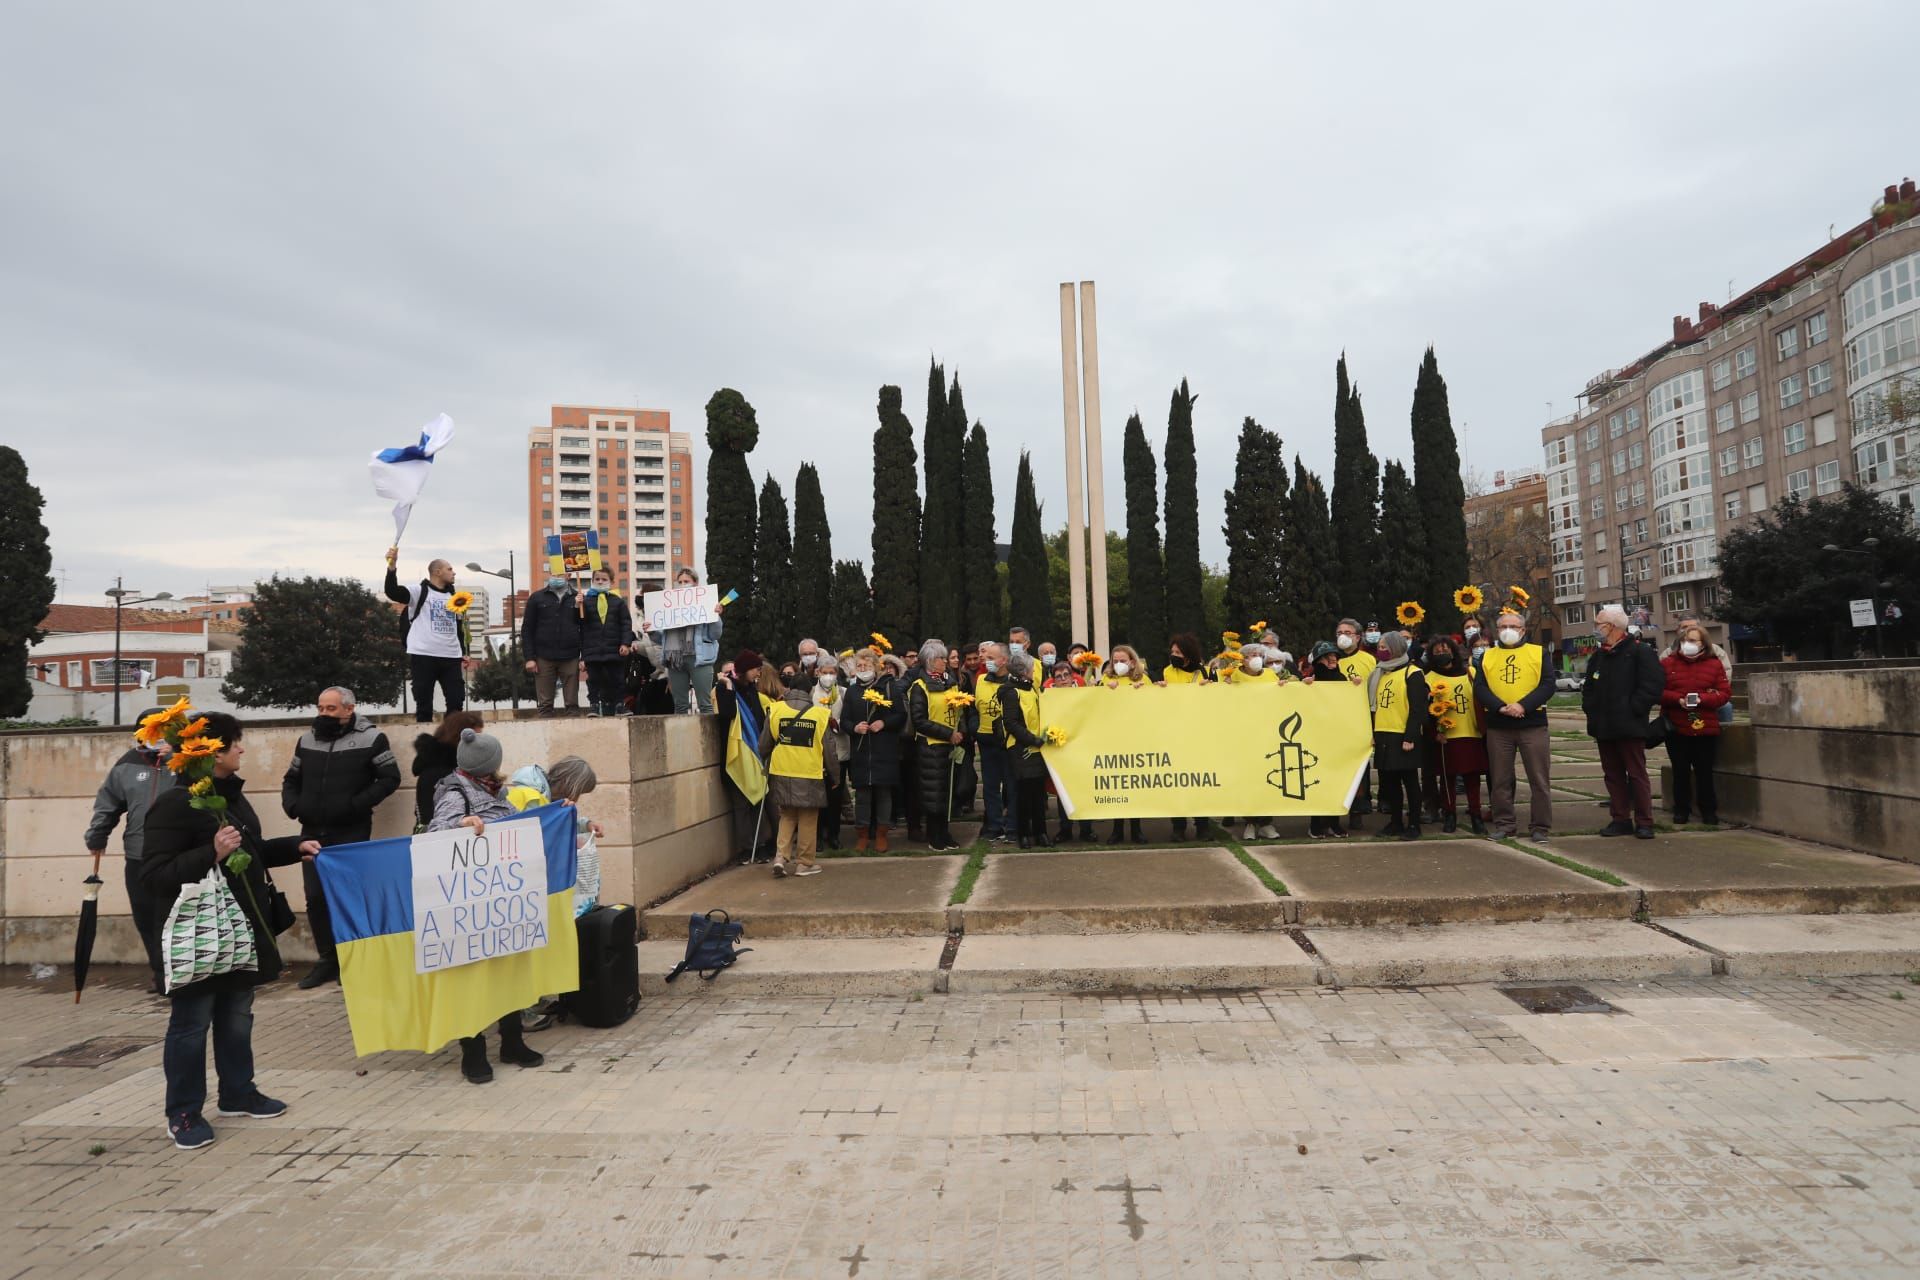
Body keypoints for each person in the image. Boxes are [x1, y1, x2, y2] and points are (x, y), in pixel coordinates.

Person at [141, 712, 322, 1149]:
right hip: (201, 936)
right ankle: (183, 1113)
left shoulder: (230, 799)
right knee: (191, 1023)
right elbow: (154, 874)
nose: (242, 749)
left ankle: (238, 1092)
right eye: (235, 743)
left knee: (237, 1016)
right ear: (209, 752)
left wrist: (295, 847)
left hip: (242, 931)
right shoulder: (176, 803)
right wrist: (212, 852)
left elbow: (252, 853)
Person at [426, 727, 546, 1081]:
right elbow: (436, 833)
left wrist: (570, 816)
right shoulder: (454, 791)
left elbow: (523, 826)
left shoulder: (495, 790)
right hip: (469, 905)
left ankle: (511, 1042)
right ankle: (473, 1051)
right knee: (471, 981)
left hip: (501, 899)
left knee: (507, 974)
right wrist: (462, 824)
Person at [280, 686, 400, 989]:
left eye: (330, 708)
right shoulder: (306, 740)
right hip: (311, 832)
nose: (323, 713)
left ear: (349, 709)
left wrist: (355, 806)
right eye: (320, 707)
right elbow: (291, 779)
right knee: (316, 899)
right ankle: (327, 962)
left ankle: (355, 963)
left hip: (351, 831)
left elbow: (390, 778)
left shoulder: (372, 738)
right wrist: (293, 806)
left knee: (350, 898)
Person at [84, 708, 178, 992]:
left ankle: (179, 972)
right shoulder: (126, 765)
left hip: (179, 855)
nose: (156, 737)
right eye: (151, 730)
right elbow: (108, 802)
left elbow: (209, 790)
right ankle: (160, 973)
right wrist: (98, 834)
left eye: (164, 730)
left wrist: (175, 756)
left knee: (174, 916)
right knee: (146, 916)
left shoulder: (189, 760)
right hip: (138, 856)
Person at [1583, 604, 1667, 839]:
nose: (1595, 629)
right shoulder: (1599, 655)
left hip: (1630, 726)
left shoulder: (1640, 652)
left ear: (1611, 627)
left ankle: (1644, 821)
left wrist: (1634, 709)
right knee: (1613, 774)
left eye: (1598, 624)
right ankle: (1620, 819)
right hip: (1604, 726)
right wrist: (1590, 708)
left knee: (1636, 774)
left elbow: (1653, 685)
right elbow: (1589, 687)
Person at [1476, 608, 1556, 841]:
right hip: (1499, 726)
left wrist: (1523, 706)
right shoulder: (1487, 656)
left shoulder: (1539, 653)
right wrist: (1500, 706)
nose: (1508, 631)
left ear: (1523, 630)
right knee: (1500, 779)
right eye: (1503, 627)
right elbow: (1480, 687)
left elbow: (1548, 684)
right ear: (1496, 630)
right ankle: (1504, 824)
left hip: (1532, 725)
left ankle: (1540, 827)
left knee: (1539, 778)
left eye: (1513, 627)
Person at [760, 664, 840, 877]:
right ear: (810, 691)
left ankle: (780, 857)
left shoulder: (775, 710)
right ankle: (804, 863)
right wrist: (836, 776)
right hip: (809, 773)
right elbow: (830, 751)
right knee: (808, 817)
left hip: (781, 771)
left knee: (786, 815)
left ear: (789, 689)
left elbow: (763, 745)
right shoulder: (820, 715)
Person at [384, 547, 472, 723]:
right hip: (424, 655)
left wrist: (463, 651)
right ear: (437, 572)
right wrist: (392, 567)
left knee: (456, 702)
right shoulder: (419, 591)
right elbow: (392, 591)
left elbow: (458, 625)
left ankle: (450, 741)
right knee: (424, 705)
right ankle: (426, 743)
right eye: (449, 569)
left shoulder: (455, 596)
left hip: (451, 656)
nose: (454, 573)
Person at [1660, 623, 1731, 826]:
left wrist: (1702, 699)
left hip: (1705, 726)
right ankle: (1681, 809)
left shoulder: (1714, 664)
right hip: (1676, 726)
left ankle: (1708, 810)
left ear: (1703, 644)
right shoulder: (1668, 663)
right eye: (1684, 640)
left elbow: (1724, 693)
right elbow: (1657, 691)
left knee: (1704, 772)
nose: (1687, 644)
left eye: (1692, 641)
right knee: (1680, 771)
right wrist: (1677, 700)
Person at [907, 640, 971, 851]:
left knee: (947, 792)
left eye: (945, 658)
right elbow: (920, 720)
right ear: (929, 662)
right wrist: (947, 734)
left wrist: (960, 730)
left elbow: (959, 707)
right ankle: (934, 835)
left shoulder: (950, 682)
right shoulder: (920, 686)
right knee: (933, 794)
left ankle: (945, 832)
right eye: (941, 658)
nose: (945, 661)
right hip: (931, 747)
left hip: (951, 746)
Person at [1367, 632, 1430, 839]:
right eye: (1380, 647)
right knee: (1389, 783)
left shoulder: (1412, 673)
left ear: (1395, 648)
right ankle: (1395, 822)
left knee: (1410, 782)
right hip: (1384, 734)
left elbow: (1417, 709)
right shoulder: (1381, 673)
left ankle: (1413, 824)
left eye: (1385, 647)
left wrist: (1410, 737)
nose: (1381, 650)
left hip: (1403, 735)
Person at [1423, 636, 1488, 835]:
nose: (1442, 654)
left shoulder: (1471, 672)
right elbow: (1425, 710)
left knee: (1472, 778)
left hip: (1470, 733)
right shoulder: (1428, 678)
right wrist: (1435, 733)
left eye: (1445, 649)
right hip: (1446, 737)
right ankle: (1449, 814)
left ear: (1453, 651)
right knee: (1447, 778)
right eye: (1437, 651)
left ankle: (1476, 815)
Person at [841, 648, 905, 851]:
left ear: (875, 667)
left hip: (883, 750)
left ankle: (881, 834)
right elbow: (845, 720)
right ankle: (862, 834)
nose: (862, 669)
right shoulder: (852, 691)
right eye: (859, 666)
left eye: (866, 666)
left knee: (883, 794)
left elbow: (900, 715)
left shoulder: (888, 687)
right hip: (861, 752)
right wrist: (854, 727)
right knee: (862, 796)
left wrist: (883, 724)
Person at [1221, 644, 1284, 841]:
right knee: (1248, 779)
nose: (1256, 658)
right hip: (1243, 735)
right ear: (1242, 659)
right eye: (1251, 655)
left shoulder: (1270, 676)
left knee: (1267, 777)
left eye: (1258, 655)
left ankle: (1266, 823)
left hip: (1267, 734)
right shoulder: (1234, 676)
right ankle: (1249, 822)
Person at [644, 567, 724, 714]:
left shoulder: (705, 604)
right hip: (675, 661)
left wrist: (715, 616)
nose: (682, 584)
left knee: (705, 704)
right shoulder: (670, 607)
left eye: (686, 581)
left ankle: (708, 737)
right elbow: (660, 639)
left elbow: (715, 634)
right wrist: (651, 630)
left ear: (695, 583)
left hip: (699, 659)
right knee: (680, 706)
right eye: (679, 582)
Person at [997, 651, 1052, 847]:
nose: (1034, 670)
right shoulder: (1011, 692)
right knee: (1023, 794)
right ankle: (1023, 834)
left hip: (1037, 746)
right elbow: (1011, 723)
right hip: (1020, 748)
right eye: (1032, 667)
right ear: (1024, 670)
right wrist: (1032, 740)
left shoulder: (1031, 690)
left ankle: (1041, 833)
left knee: (1038, 793)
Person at [1300, 644, 1350, 838]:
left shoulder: (1343, 680)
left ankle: (1334, 823)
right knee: (1317, 781)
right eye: (1327, 657)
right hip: (1317, 738)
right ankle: (1316, 823)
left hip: (1338, 738)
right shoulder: (1311, 682)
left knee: (1337, 781)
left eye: (1334, 657)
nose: (1332, 661)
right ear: (1318, 660)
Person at [1333, 618, 1377, 826]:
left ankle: (1358, 809)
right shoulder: (1331, 659)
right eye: (1340, 632)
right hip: (1337, 721)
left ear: (1358, 637)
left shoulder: (1368, 660)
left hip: (1361, 720)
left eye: (1348, 632)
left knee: (1360, 766)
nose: (1343, 635)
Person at [520, 573, 583, 714]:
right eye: (554, 573)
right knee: (545, 705)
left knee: (572, 705)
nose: (557, 576)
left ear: (569, 575)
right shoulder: (536, 597)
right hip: (543, 656)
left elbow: (584, 626)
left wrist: (578, 607)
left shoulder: (578, 597)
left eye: (560, 573)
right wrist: (529, 658)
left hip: (571, 655)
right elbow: (527, 629)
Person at [410, 710, 484, 829]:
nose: (480, 744)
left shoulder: (464, 768)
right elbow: (430, 821)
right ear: (458, 736)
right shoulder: (436, 773)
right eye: (474, 738)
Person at [578, 568, 635, 718]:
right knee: (593, 680)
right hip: (592, 650)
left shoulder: (618, 601)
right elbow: (579, 624)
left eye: (604, 579)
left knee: (617, 679)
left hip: (614, 649)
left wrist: (625, 643)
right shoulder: (585, 601)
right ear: (592, 581)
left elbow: (625, 624)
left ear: (611, 582)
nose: (600, 582)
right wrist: (577, 606)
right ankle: (594, 705)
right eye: (597, 579)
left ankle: (619, 705)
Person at [973, 642, 1012, 843]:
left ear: (1004, 660)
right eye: (986, 658)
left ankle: (1011, 824)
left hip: (1008, 741)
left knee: (1011, 785)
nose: (986, 662)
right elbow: (974, 709)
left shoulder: (1013, 681)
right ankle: (994, 825)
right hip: (987, 741)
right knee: (990, 787)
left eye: (991, 658)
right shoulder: (980, 680)